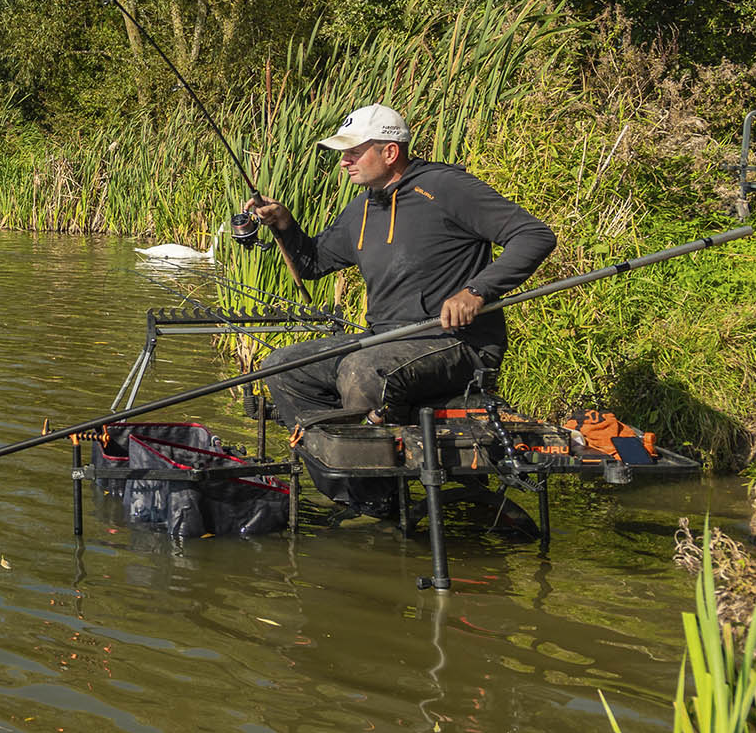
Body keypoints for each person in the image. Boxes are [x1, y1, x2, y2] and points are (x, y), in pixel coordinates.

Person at [236, 104, 557, 507]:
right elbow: (314, 263)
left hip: (456, 343)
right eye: (343, 153)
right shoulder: (362, 208)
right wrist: (284, 222)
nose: (344, 161)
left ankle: (379, 497)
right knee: (282, 368)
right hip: (383, 340)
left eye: (354, 151)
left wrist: (476, 291)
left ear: (389, 152)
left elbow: (533, 235)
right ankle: (350, 487)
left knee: (364, 369)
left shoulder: (445, 187)